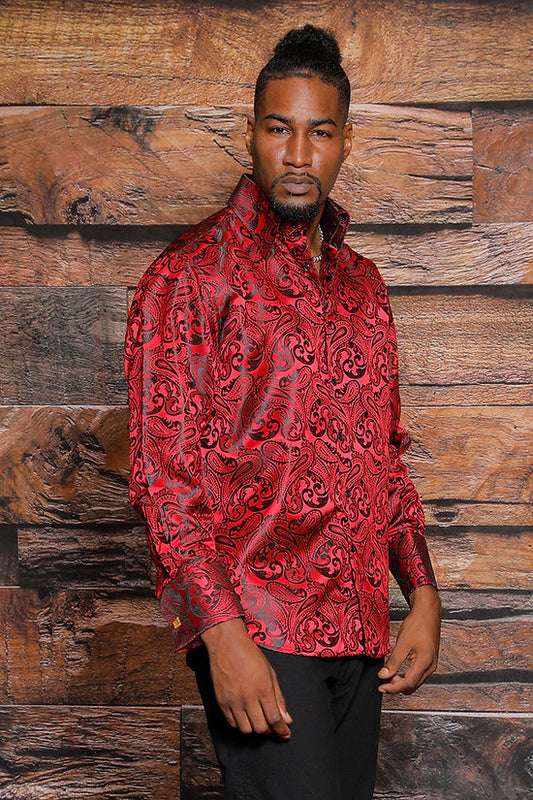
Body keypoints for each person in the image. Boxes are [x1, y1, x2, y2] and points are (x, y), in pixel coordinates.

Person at [124, 24, 441, 800]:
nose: (297, 154)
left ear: (344, 143)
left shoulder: (364, 286)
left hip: (361, 632)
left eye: (318, 132)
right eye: (278, 129)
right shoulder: (189, 277)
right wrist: (219, 635)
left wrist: (422, 593)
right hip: (260, 629)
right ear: (251, 134)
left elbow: (380, 456)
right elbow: (162, 481)